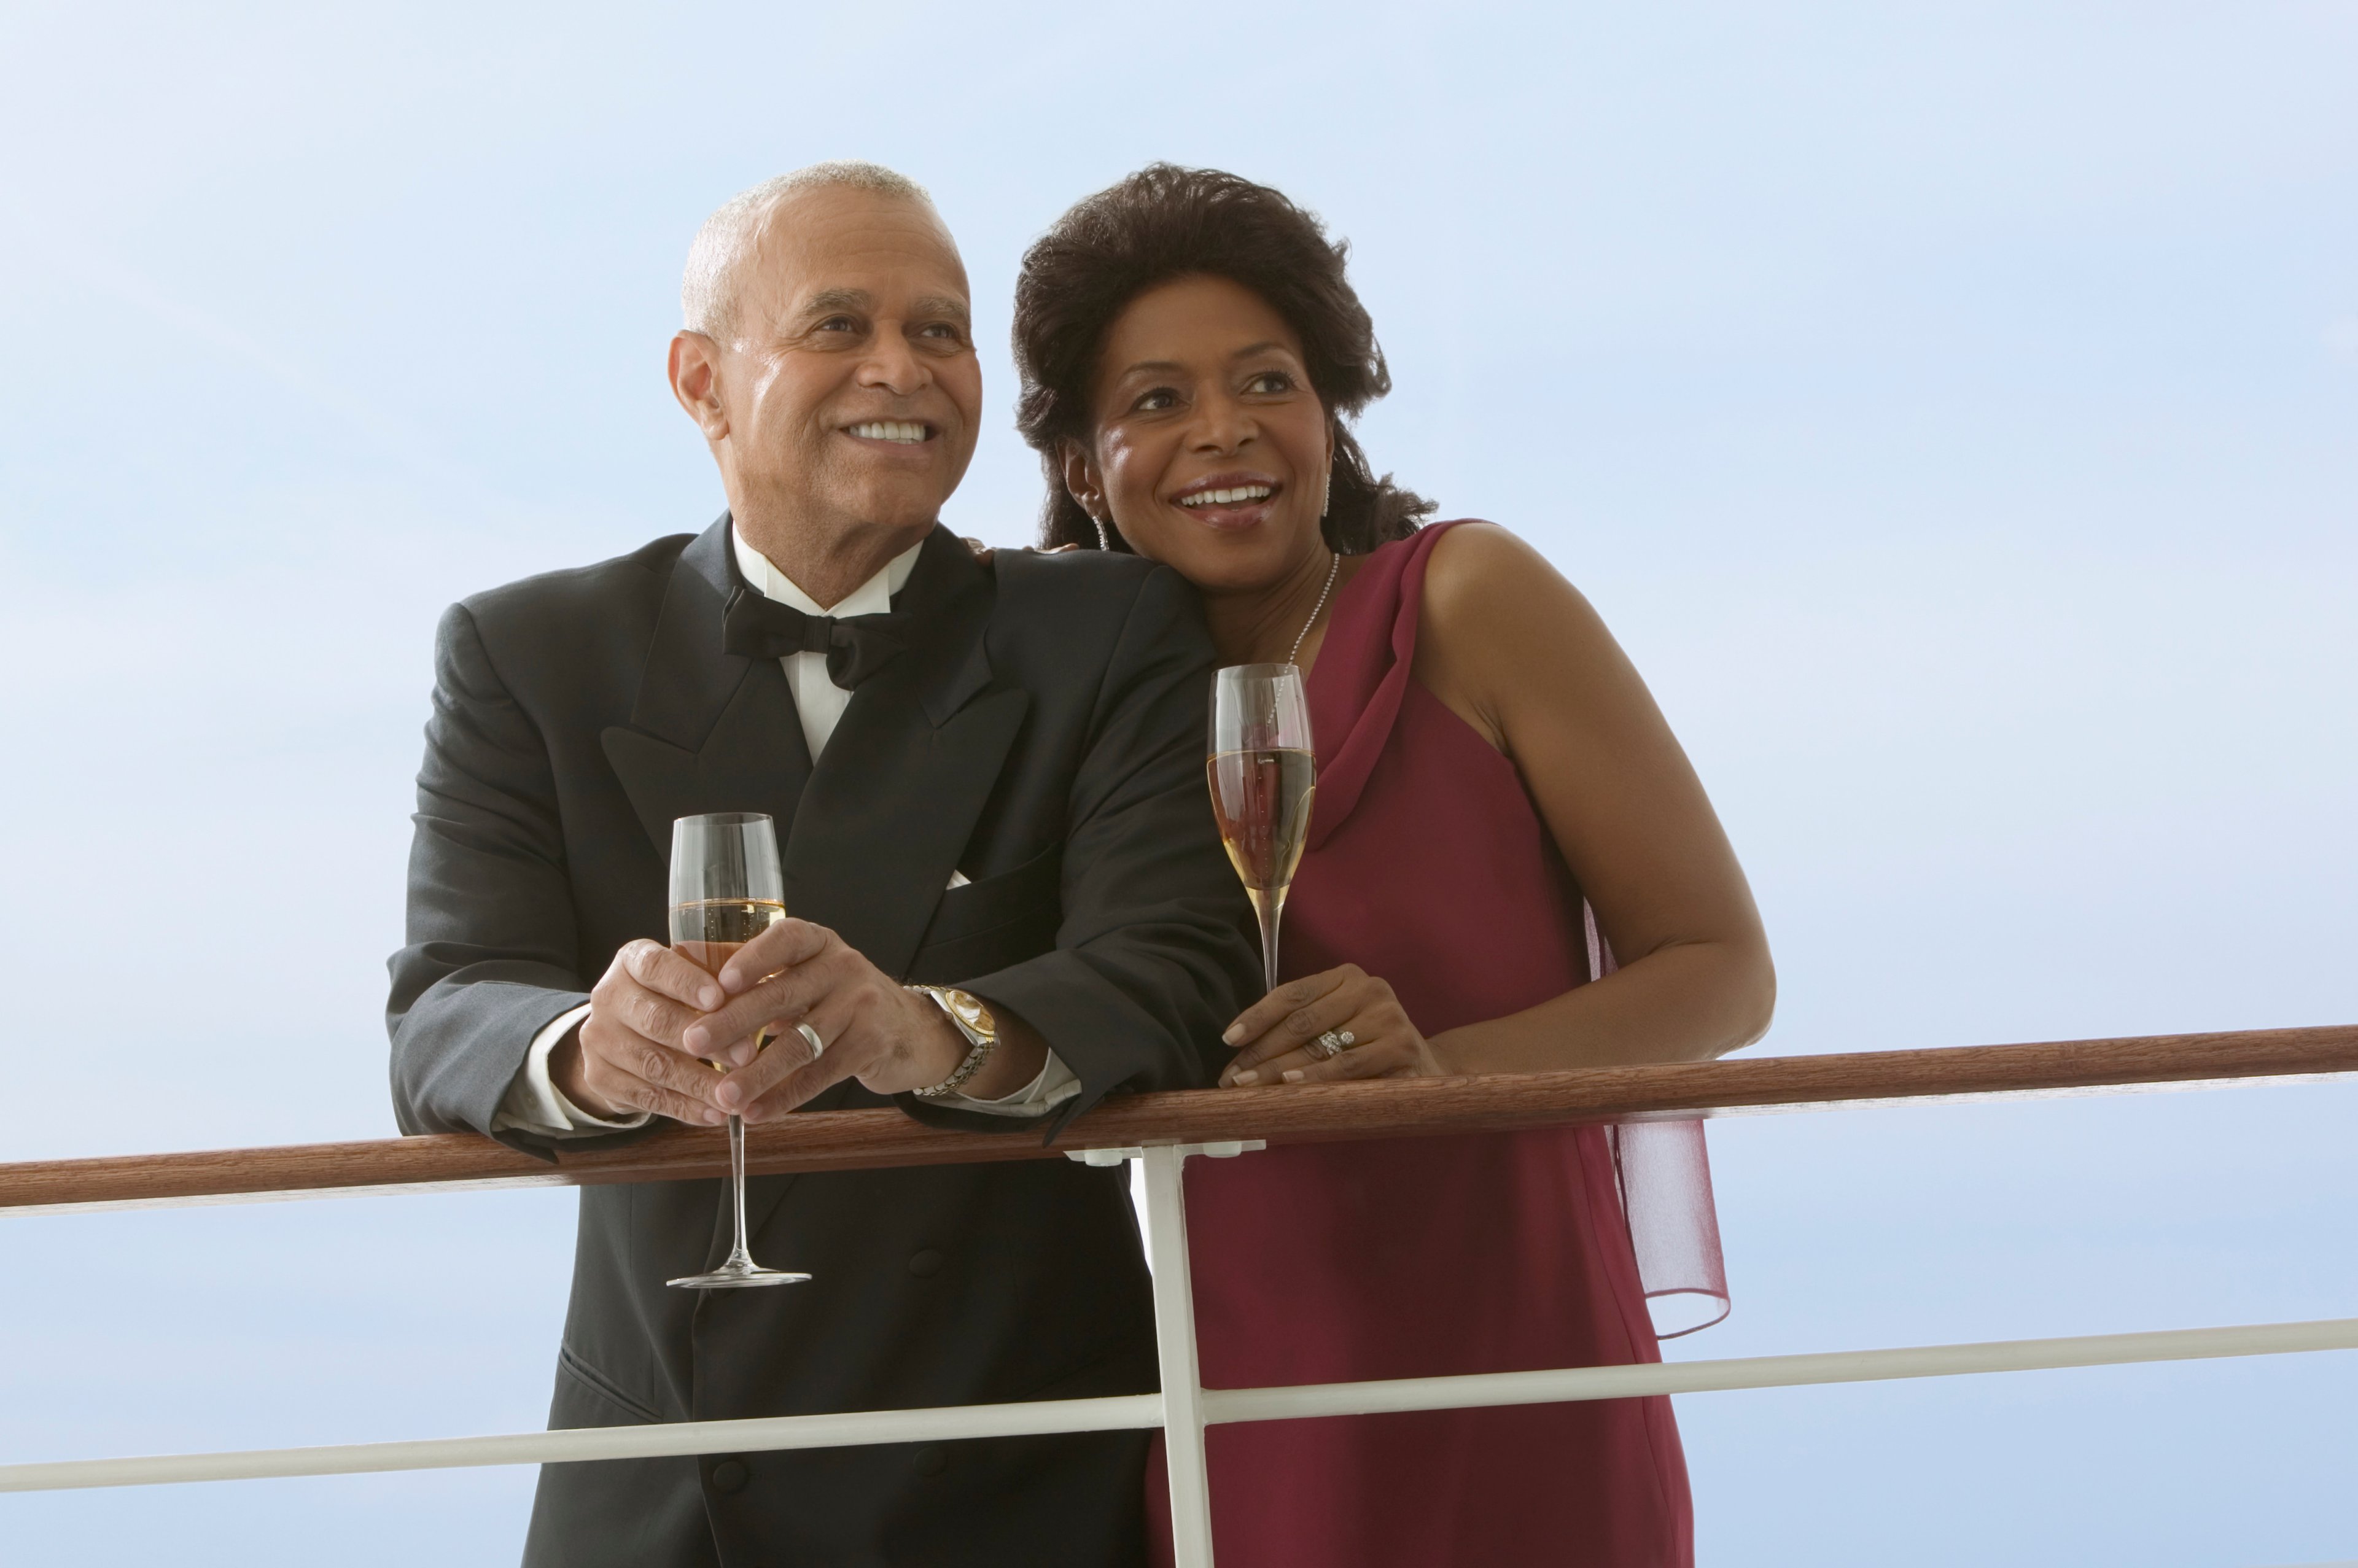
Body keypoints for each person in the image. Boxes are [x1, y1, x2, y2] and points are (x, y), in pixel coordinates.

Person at [386, 161, 1259, 1567]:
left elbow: (1177, 962)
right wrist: (586, 1050)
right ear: (702, 380)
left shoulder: (1103, 630)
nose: (901, 368)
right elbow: (441, 1008)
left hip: (1013, 1474)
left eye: (941, 329)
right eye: (839, 325)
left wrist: (935, 1029)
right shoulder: (526, 650)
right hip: (663, 1485)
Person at [1011, 165, 1776, 1567]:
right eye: (1156, 401)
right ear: (1081, 466)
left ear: (1330, 409)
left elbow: (1723, 972)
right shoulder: (1063, 696)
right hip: (1221, 1359)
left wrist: (1443, 1071)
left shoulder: (1470, 599)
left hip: (1512, 1336)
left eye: (1267, 381)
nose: (1224, 430)